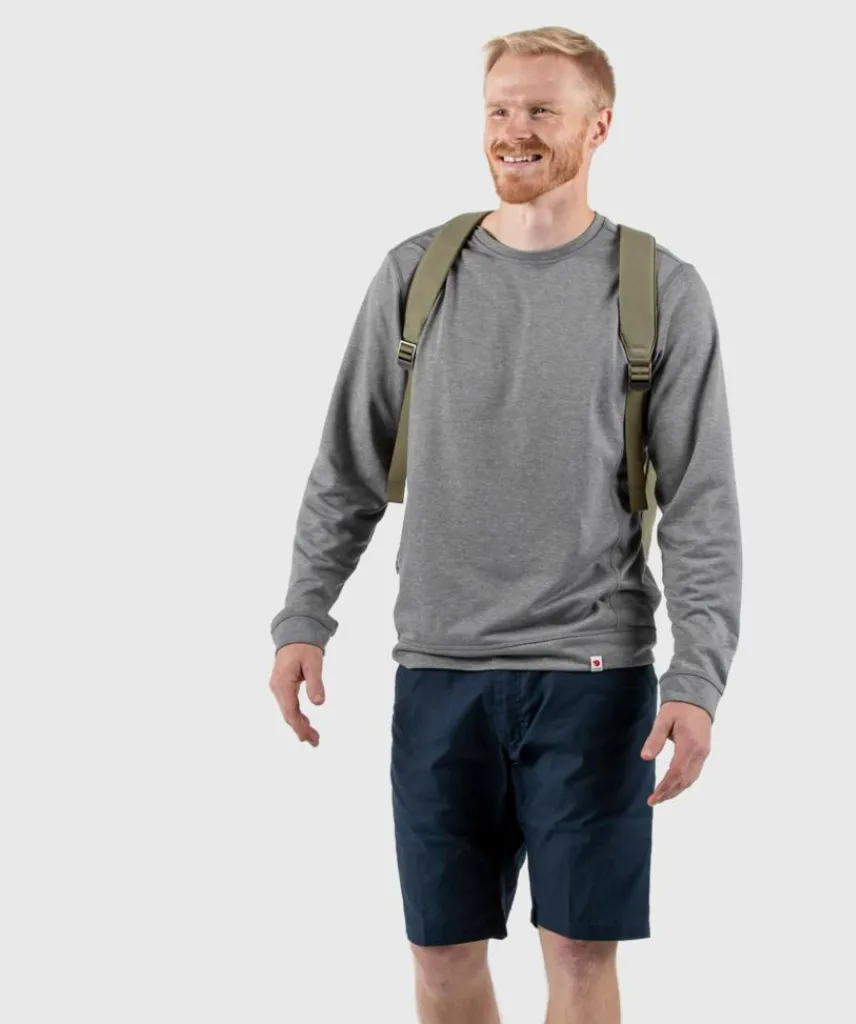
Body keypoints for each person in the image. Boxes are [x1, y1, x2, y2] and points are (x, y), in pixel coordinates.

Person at [268, 25, 742, 1024]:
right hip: (440, 668)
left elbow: (701, 505)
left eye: (540, 111)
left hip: (594, 677)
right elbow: (347, 465)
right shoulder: (415, 274)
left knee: (578, 953)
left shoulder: (660, 290)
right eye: (498, 108)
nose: (513, 130)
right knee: (441, 958)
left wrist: (697, 678)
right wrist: (303, 616)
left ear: (598, 126)